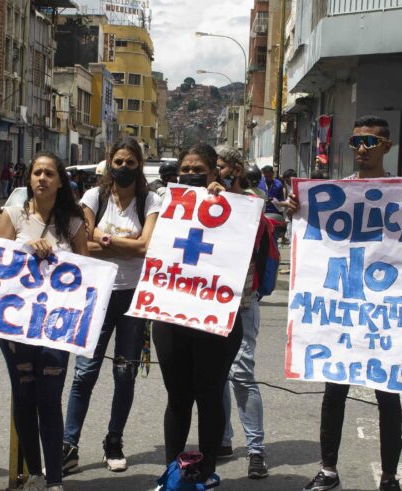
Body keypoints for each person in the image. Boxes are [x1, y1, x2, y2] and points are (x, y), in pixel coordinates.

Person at [284, 116, 402, 491]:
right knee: (334, 392)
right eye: (356, 142)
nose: (361, 149)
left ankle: (390, 477)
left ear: (387, 146)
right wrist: (295, 208)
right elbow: (309, 227)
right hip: (344, 312)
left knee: (388, 397)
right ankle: (328, 471)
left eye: (370, 142)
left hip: (383, 317)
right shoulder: (336, 193)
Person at [63, 137, 161, 474]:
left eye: (130, 163)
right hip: (98, 293)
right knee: (84, 373)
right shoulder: (95, 196)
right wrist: (124, 244)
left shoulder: (150, 200)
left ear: (139, 165)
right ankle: (69, 444)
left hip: (133, 296)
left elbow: (146, 247)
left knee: (125, 373)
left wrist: (105, 240)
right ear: (109, 163)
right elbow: (83, 245)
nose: (123, 168)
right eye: (118, 162)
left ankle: (114, 441)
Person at [153, 143, 244, 488]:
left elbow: (250, 239)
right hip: (171, 317)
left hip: (214, 318)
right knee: (178, 398)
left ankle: (205, 473)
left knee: (209, 397)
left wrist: (228, 200)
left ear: (214, 172)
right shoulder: (163, 203)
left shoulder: (234, 204)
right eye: (185, 169)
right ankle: (172, 473)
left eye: (199, 170)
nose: (190, 175)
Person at [0, 151, 88, 491]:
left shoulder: (74, 222)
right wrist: (26, 251)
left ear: (60, 181)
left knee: (49, 399)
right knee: (24, 398)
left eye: (49, 173)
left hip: (57, 325)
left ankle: (55, 479)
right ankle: (34, 473)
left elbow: (85, 273)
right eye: (37, 172)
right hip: (15, 324)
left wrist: (57, 254)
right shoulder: (13, 215)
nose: (42, 179)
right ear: (29, 178)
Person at [214, 145, 271, 479]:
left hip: (242, 301)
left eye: (221, 167)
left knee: (242, 373)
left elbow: (250, 243)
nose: (216, 173)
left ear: (234, 169)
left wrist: (228, 200)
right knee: (216, 374)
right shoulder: (203, 201)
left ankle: (256, 449)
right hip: (210, 302)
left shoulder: (251, 204)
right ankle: (222, 438)